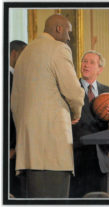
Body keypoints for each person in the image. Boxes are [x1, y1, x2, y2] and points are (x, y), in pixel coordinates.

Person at [11, 14, 85, 198]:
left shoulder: (24, 53)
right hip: (52, 150)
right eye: (68, 32)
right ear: (59, 28)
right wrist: (76, 113)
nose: (69, 37)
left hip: (27, 150)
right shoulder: (59, 48)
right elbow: (74, 92)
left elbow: (15, 101)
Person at [70, 50, 109, 198]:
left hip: (101, 158)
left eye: (91, 62)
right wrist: (65, 120)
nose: (86, 65)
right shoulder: (70, 88)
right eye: (84, 61)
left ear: (100, 69)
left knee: (99, 201)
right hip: (75, 157)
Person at [9, 40, 27, 198]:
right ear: (14, 53)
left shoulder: (17, 77)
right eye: (24, 54)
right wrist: (10, 146)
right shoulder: (6, 79)